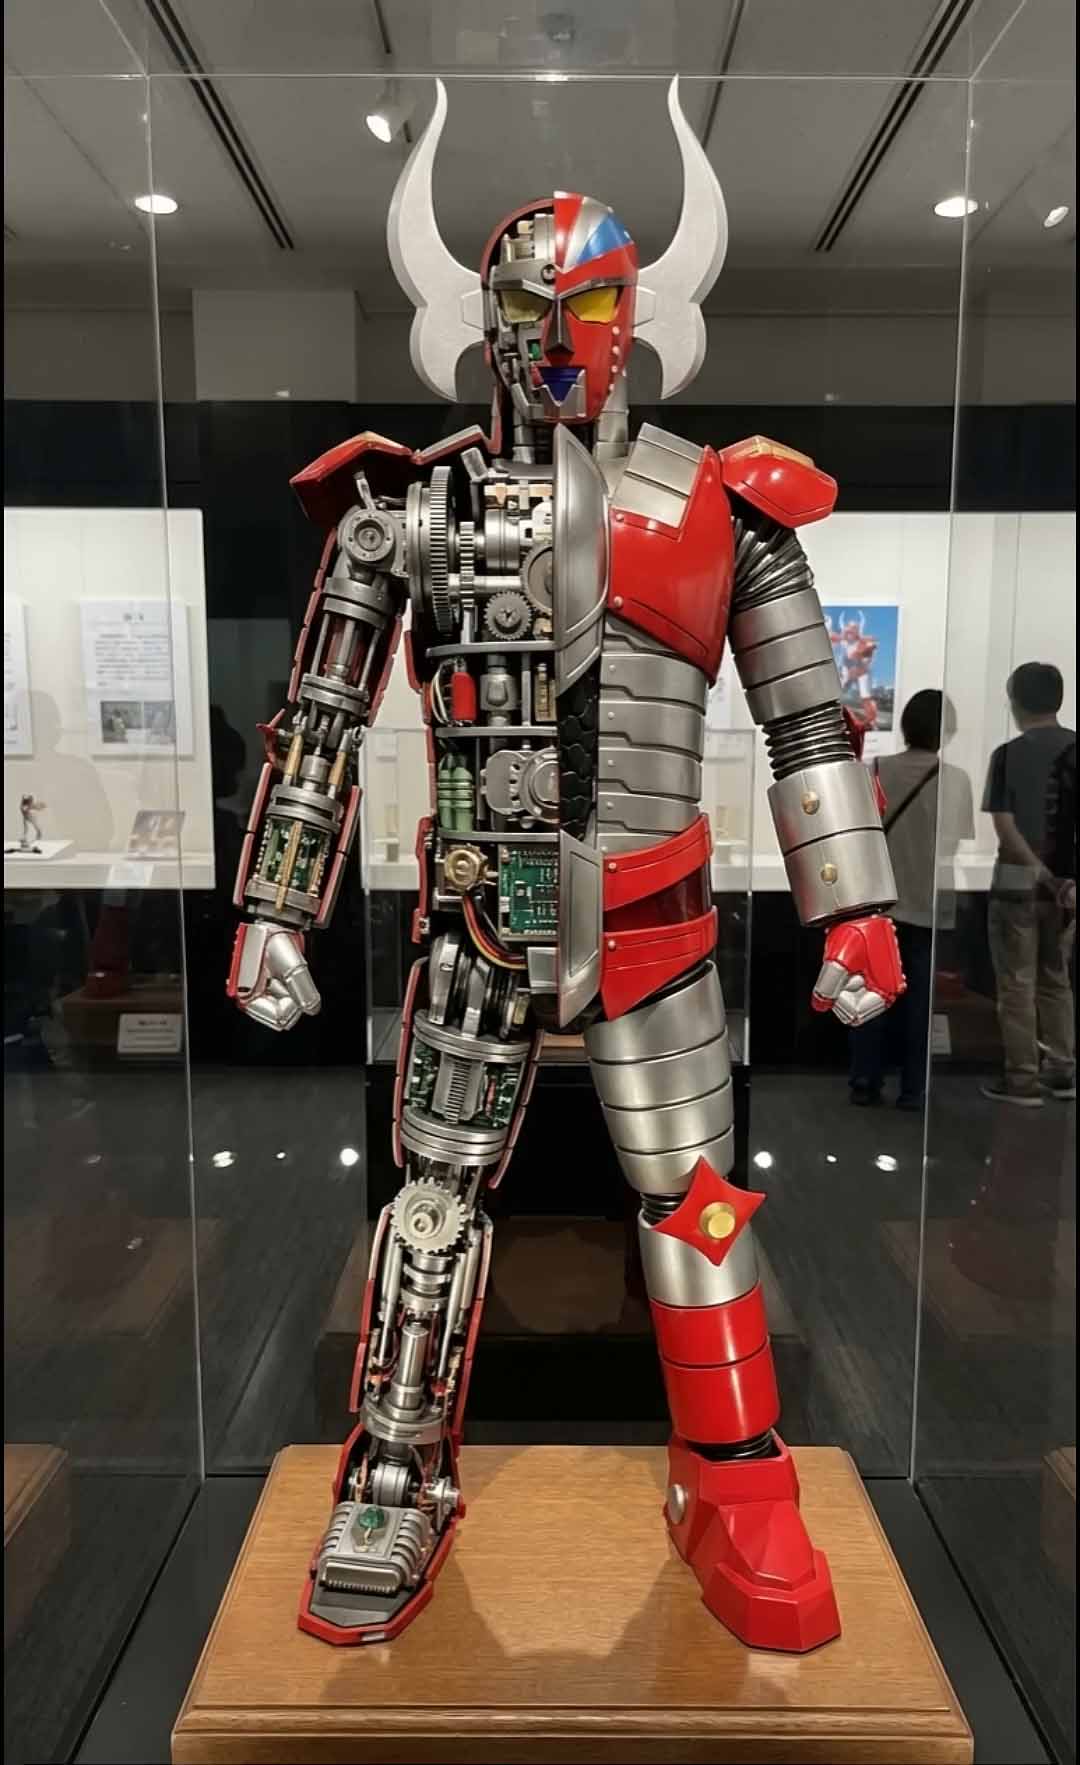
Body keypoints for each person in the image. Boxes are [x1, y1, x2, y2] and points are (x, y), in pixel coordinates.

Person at [850, 690, 974, 1109]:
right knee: (919, 1003)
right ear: (946, 731)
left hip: (880, 901)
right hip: (928, 902)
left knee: (870, 993)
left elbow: (861, 834)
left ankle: (865, 1080)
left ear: (905, 726)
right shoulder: (957, 780)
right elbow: (953, 844)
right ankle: (914, 1088)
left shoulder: (876, 770)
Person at [981, 662, 1076, 1105]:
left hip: (1016, 885)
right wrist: (1062, 881)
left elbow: (1005, 826)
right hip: (1067, 892)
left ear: (1016, 701)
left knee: (1017, 983)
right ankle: (1063, 1069)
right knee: (1056, 978)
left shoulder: (1007, 755)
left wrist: (1039, 871)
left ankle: (1022, 1078)